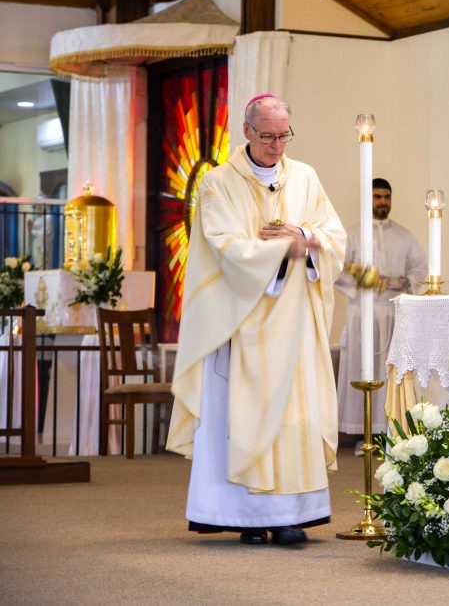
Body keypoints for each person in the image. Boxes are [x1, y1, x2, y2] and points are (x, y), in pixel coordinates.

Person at [166, 94, 347, 546]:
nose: (277, 144)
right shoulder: (218, 183)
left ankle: (290, 515)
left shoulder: (305, 176)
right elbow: (223, 246)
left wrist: (303, 236)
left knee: (294, 416)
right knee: (244, 415)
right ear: (246, 131)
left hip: (297, 322)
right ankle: (246, 516)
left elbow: (333, 235)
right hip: (243, 319)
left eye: (284, 134)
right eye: (268, 135)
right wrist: (282, 249)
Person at [335, 178, 426, 454]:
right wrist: (365, 281)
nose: (382, 202)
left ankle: (388, 431)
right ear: (368, 199)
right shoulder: (351, 234)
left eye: (386, 196)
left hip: (391, 314)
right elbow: (336, 269)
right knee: (361, 371)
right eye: (377, 197)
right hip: (361, 313)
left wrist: (403, 281)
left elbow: (420, 270)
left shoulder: (404, 236)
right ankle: (363, 434)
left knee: (388, 375)